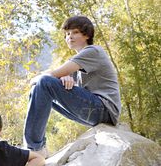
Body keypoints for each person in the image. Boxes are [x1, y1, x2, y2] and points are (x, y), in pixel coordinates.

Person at [23, 15, 121, 157]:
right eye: (67, 34)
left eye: (75, 32)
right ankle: (39, 147)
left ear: (86, 35)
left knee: (43, 83)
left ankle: (34, 149)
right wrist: (64, 77)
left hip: (104, 109)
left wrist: (45, 77)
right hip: (94, 110)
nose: (70, 37)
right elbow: (62, 79)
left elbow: (51, 76)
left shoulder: (93, 51)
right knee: (39, 90)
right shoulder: (79, 61)